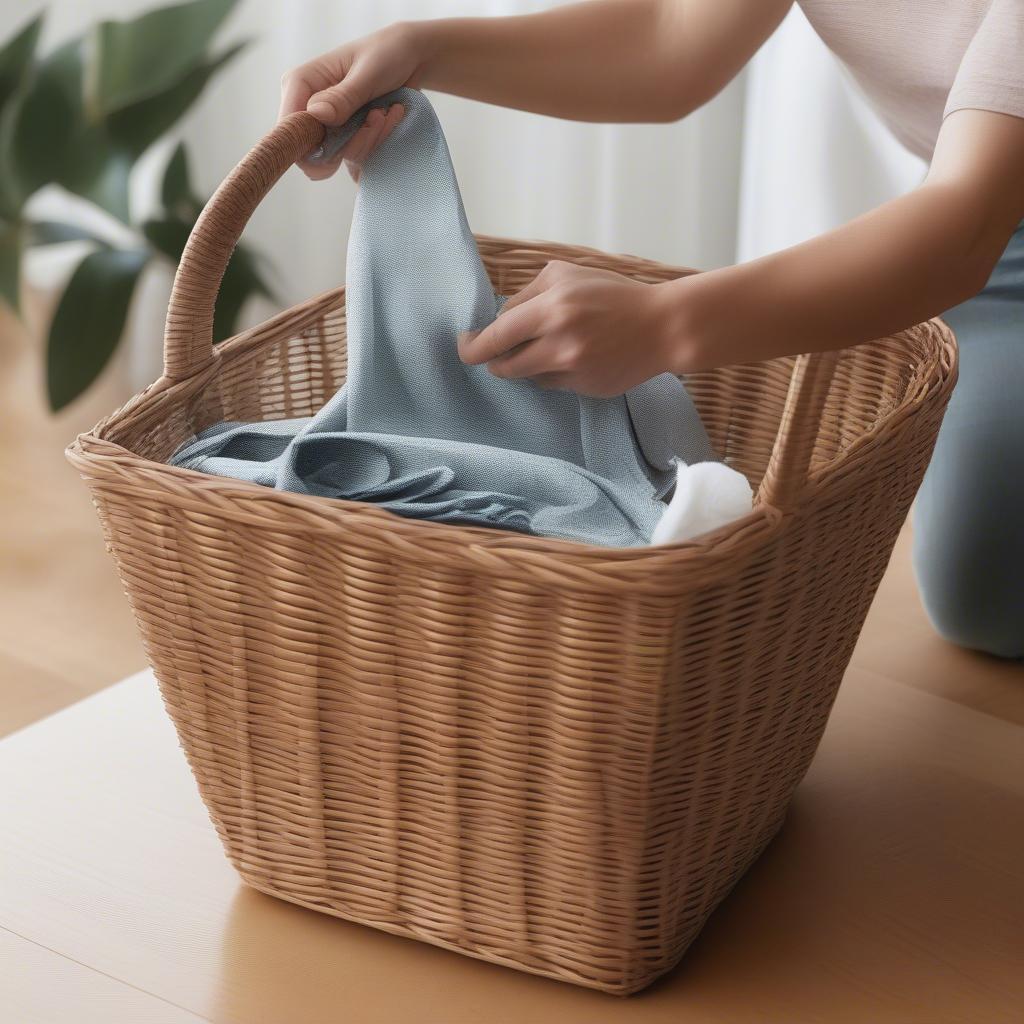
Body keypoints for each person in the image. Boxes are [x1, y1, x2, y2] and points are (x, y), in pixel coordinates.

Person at [279, 0, 1024, 660]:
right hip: (1000, 230)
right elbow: (674, 38)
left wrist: (665, 323)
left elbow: (962, 229)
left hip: (979, 223)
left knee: (991, 595)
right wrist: (422, 48)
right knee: (987, 593)